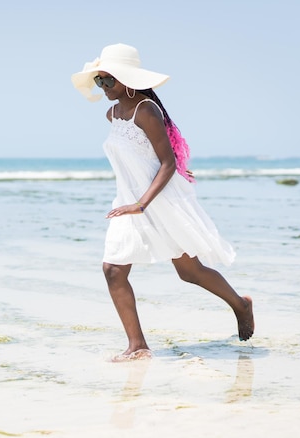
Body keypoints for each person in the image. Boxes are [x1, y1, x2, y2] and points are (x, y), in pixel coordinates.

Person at [71, 43, 254, 361]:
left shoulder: (146, 110)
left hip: (156, 202)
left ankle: (241, 304)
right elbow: (144, 158)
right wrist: (133, 203)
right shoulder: (112, 114)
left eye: (107, 81)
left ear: (126, 79)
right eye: (99, 82)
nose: (103, 88)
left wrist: (142, 203)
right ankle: (137, 346)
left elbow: (166, 163)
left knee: (189, 271)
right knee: (113, 270)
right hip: (128, 202)